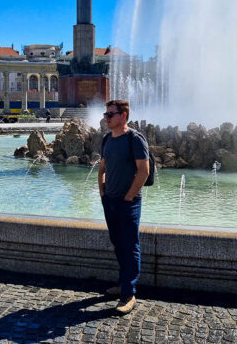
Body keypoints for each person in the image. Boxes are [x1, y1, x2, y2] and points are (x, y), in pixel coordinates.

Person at [97, 99, 149, 315]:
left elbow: (143, 171)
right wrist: (102, 191)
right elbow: (102, 167)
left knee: (130, 246)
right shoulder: (107, 139)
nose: (106, 118)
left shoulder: (134, 139)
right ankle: (123, 283)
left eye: (110, 114)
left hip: (129, 202)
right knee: (118, 244)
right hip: (110, 200)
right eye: (105, 114)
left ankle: (129, 294)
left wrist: (128, 197)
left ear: (123, 116)